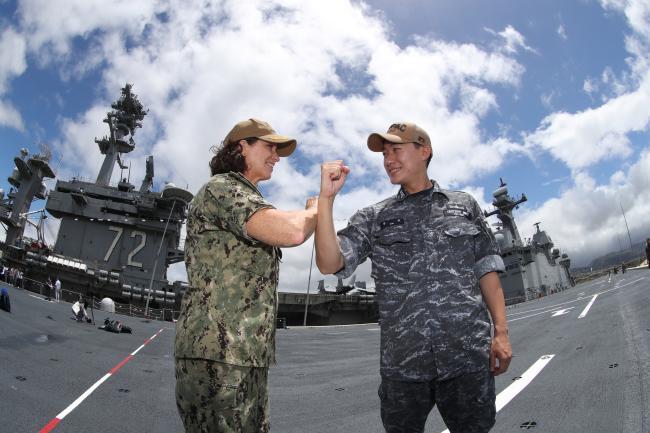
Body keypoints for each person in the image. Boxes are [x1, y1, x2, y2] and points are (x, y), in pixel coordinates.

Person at [315, 122, 512, 433]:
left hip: (467, 358)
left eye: (396, 150)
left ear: (424, 151)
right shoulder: (374, 216)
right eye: (384, 153)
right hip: (403, 367)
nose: (388, 159)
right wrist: (326, 200)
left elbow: (486, 270)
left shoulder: (463, 205)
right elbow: (330, 263)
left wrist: (500, 332)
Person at [174, 118, 318, 433]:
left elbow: (287, 222)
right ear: (242, 147)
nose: (276, 157)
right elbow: (291, 231)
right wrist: (316, 209)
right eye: (269, 146)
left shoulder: (250, 199)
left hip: (246, 354)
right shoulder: (222, 188)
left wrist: (310, 211)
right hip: (218, 353)